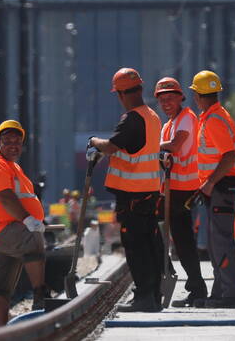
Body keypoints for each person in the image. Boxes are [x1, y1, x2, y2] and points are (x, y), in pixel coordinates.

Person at [89, 68, 165, 313]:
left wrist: (93, 141)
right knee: (149, 244)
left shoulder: (132, 119)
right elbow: (132, 148)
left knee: (136, 246)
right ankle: (152, 295)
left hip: (133, 195)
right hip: (150, 192)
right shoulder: (152, 116)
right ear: (140, 89)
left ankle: (144, 297)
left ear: (120, 94)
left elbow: (111, 146)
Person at [0, 120, 50, 326]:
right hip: (3, 230)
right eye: (7, 140)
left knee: (1, 287)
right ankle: (40, 296)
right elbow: (6, 198)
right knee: (33, 241)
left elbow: (25, 198)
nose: (13, 145)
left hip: (8, 230)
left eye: (17, 141)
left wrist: (36, 219)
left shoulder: (13, 167)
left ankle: (1, 331)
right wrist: (29, 221)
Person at [191, 70, 235, 309]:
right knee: (215, 242)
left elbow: (230, 155)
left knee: (221, 242)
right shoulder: (216, 116)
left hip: (220, 188)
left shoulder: (214, 120)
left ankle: (232, 295)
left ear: (197, 95)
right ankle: (220, 291)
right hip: (221, 187)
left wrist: (210, 182)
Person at [155, 76, 207, 308]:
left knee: (183, 241)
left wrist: (149, 146)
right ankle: (191, 286)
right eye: (162, 99)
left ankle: (196, 289)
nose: (166, 103)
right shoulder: (168, 124)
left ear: (180, 98)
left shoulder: (187, 119)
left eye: (170, 98)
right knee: (169, 236)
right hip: (171, 189)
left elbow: (175, 146)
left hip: (184, 189)